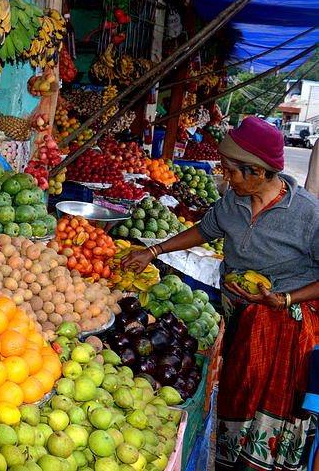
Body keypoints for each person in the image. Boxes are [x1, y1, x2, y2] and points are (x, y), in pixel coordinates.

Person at [123, 117, 319, 471]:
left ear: (257, 172)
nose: (225, 178)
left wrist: (286, 299)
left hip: (281, 325)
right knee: (237, 390)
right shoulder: (234, 201)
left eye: (231, 171)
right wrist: (153, 251)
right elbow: (205, 229)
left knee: (267, 401)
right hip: (239, 316)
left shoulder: (309, 215)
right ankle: (232, 460)